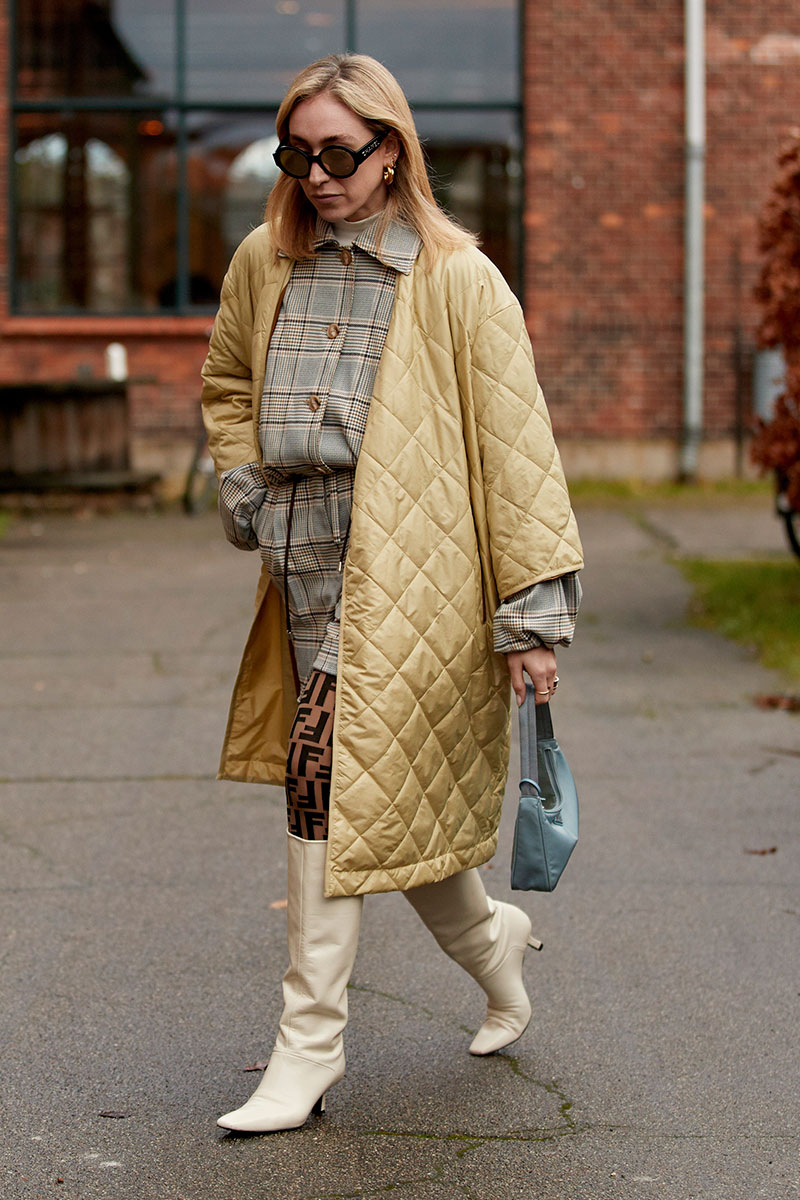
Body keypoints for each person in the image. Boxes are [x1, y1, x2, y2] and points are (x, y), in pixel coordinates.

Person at [201, 52, 583, 1134]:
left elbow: (517, 452)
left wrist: (531, 616)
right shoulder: (263, 261)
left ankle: (305, 1051)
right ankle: (491, 942)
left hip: (418, 588)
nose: (316, 174)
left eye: (337, 153)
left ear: (390, 150)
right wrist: (242, 489)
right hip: (301, 573)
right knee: (385, 813)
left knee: (321, 790)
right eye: (297, 154)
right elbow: (227, 382)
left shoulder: (456, 278)